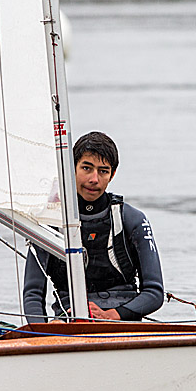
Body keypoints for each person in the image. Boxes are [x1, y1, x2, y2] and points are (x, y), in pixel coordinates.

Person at [22, 131, 164, 323]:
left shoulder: (132, 220)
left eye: (103, 171)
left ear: (112, 175)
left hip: (122, 323)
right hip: (69, 323)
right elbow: (32, 294)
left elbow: (154, 293)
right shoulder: (50, 221)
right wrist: (43, 331)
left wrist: (111, 315)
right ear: (71, 168)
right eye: (87, 168)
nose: (94, 179)